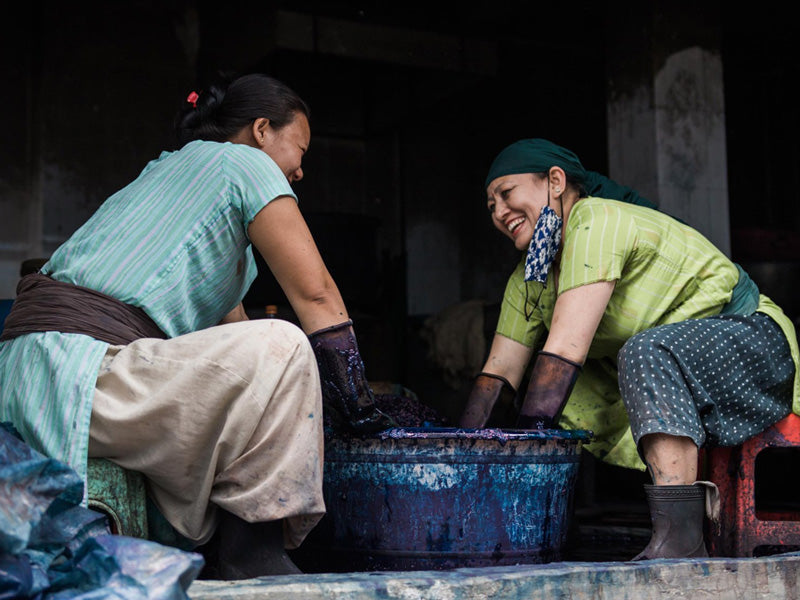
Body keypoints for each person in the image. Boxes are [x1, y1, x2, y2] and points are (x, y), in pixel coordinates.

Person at [0, 72, 392, 579]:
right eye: (300, 150)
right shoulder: (245, 163)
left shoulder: (171, 172)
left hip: (28, 373)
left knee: (267, 360)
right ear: (261, 131)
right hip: (82, 372)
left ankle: (218, 547)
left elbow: (241, 352)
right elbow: (317, 296)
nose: (300, 171)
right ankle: (252, 551)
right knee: (285, 343)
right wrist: (360, 407)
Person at [459, 138, 799, 559]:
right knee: (554, 386)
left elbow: (566, 348)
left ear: (555, 182)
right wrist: (461, 457)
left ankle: (681, 541)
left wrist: (526, 450)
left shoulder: (595, 220)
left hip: (751, 344)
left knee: (637, 352)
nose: (498, 212)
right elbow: (499, 375)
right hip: (683, 371)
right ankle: (540, 525)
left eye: (506, 193)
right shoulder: (529, 278)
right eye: (490, 204)